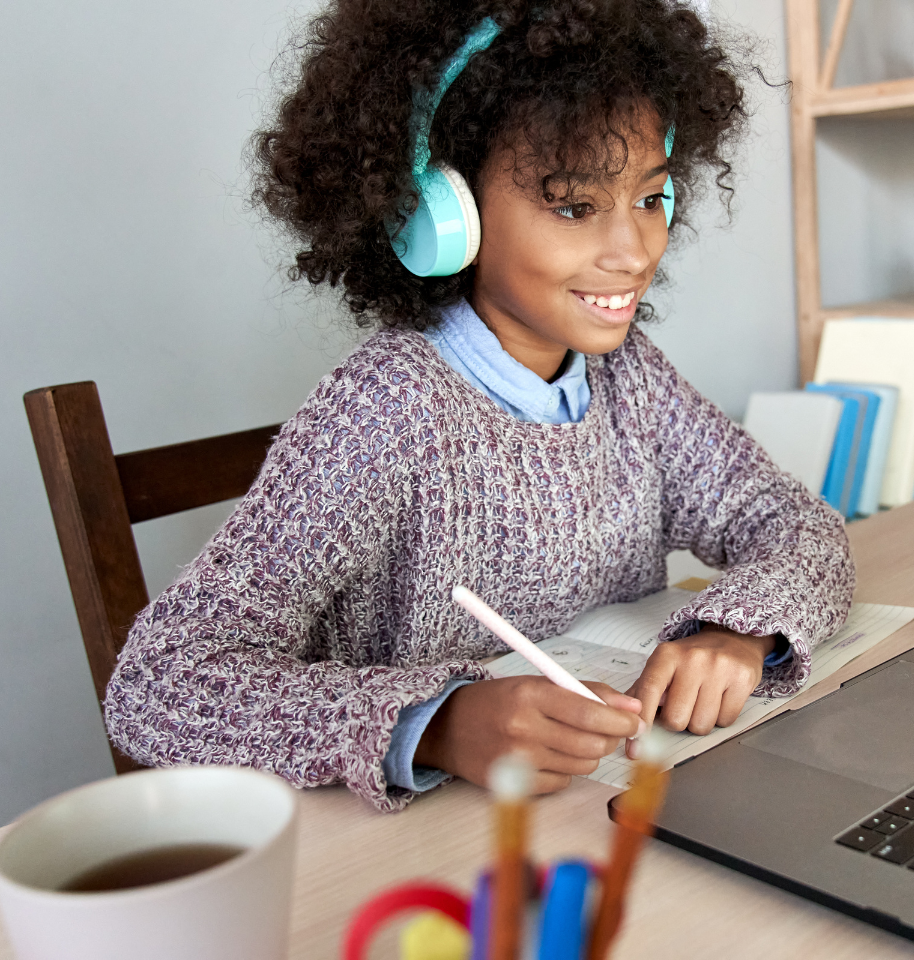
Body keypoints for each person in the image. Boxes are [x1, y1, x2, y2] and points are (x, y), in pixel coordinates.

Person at [104, 0, 855, 811]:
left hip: (594, 816)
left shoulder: (630, 378)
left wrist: (741, 630)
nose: (633, 251)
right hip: (420, 869)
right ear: (441, 214)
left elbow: (796, 524)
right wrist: (434, 724)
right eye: (574, 206)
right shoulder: (383, 414)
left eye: (650, 197)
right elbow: (159, 682)